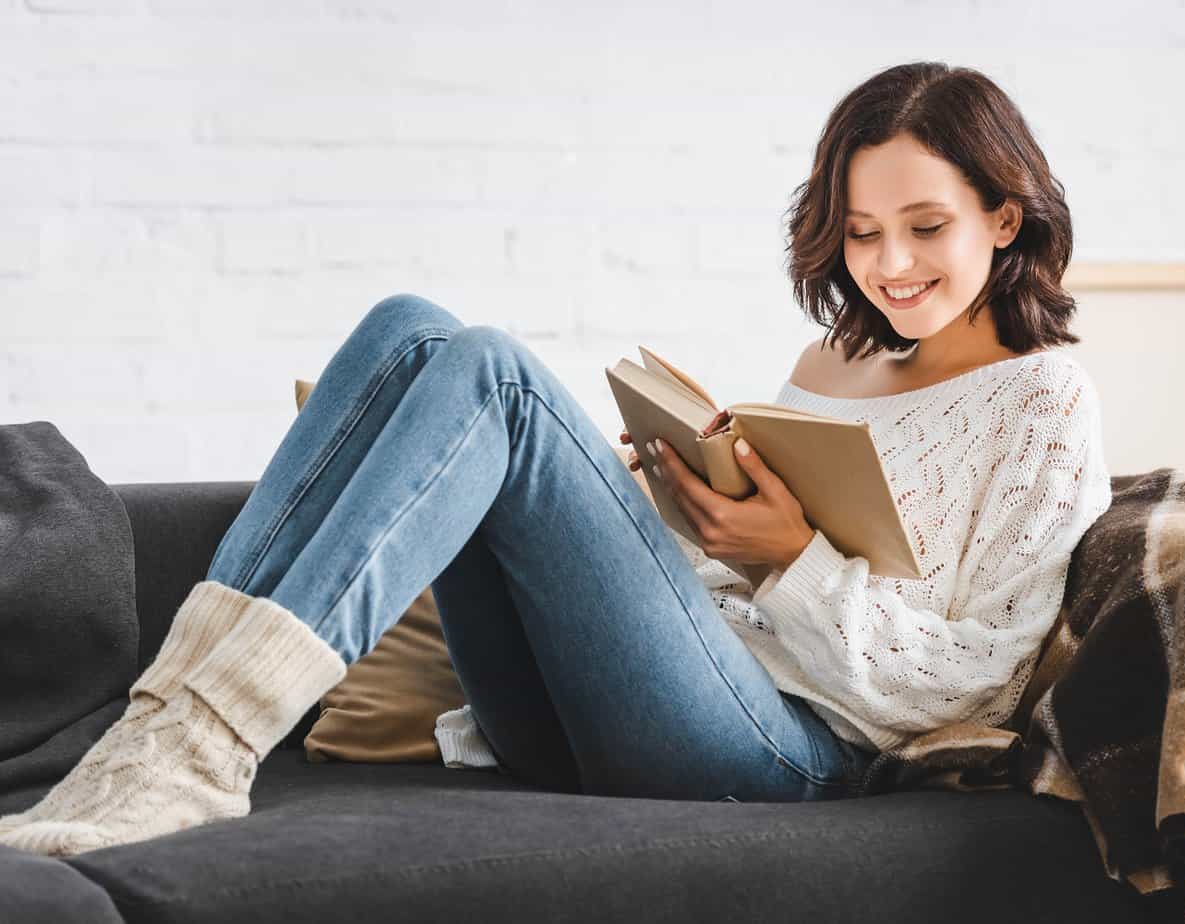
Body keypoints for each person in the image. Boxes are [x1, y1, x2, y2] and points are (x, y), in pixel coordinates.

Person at [0, 60, 1111, 858]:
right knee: (411, 324)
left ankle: (204, 740)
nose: (888, 263)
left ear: (1002, 218)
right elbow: (731, 588)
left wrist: (791, 563)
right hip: (638, 702)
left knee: (493, 372)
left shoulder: (1042, 400)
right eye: (862, 232)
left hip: (796, 753)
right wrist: (673, 506)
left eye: (924, 227)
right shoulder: (830, 360)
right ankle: (170, 722)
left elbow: (980, 682)